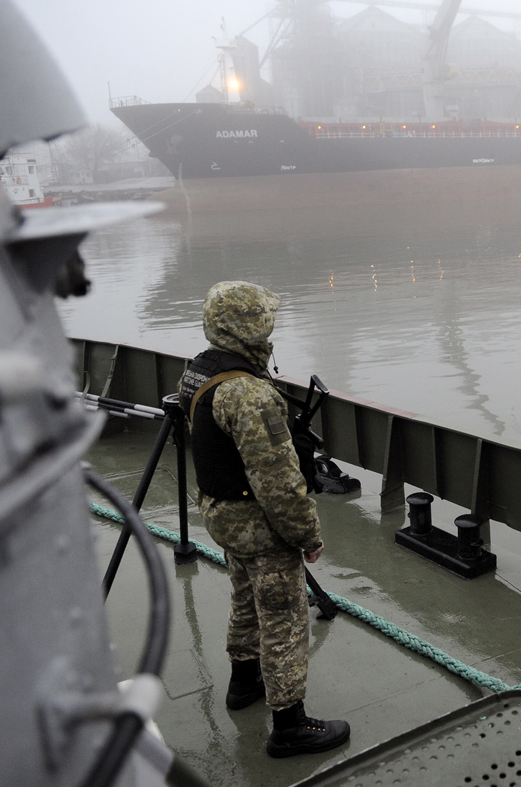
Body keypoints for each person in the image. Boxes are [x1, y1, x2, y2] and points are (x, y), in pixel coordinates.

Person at [178, 281, 349, 759]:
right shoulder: (248, 394)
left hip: (220, 513)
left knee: (245, 596)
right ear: (250, 327)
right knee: (285, 616)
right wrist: (307, 535)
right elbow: (278, 481)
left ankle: (244, 682)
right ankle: (290, 726)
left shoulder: (198, 372)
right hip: (257, 522)